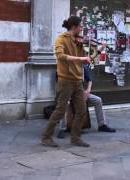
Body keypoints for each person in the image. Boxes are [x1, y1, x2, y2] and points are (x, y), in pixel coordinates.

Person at [41, 16, 91, 148]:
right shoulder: (61, 39)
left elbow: (86, 58)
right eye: (80, 26)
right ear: (74, 27)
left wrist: (96, 51)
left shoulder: (78, 41)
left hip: (77, 81)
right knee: (60, 110)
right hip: (65, 81)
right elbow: (60, 56)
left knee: (81, 110)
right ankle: (46, 137)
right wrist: (80, 58)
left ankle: (75, 137)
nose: (82, 29)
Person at [57, 64, 116, 138]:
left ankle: (102, 125)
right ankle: (63, 129)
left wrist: (87, 91)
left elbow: (89, 80)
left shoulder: (82, 67)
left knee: (98, 100)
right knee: (65, 104)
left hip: (80, 93)